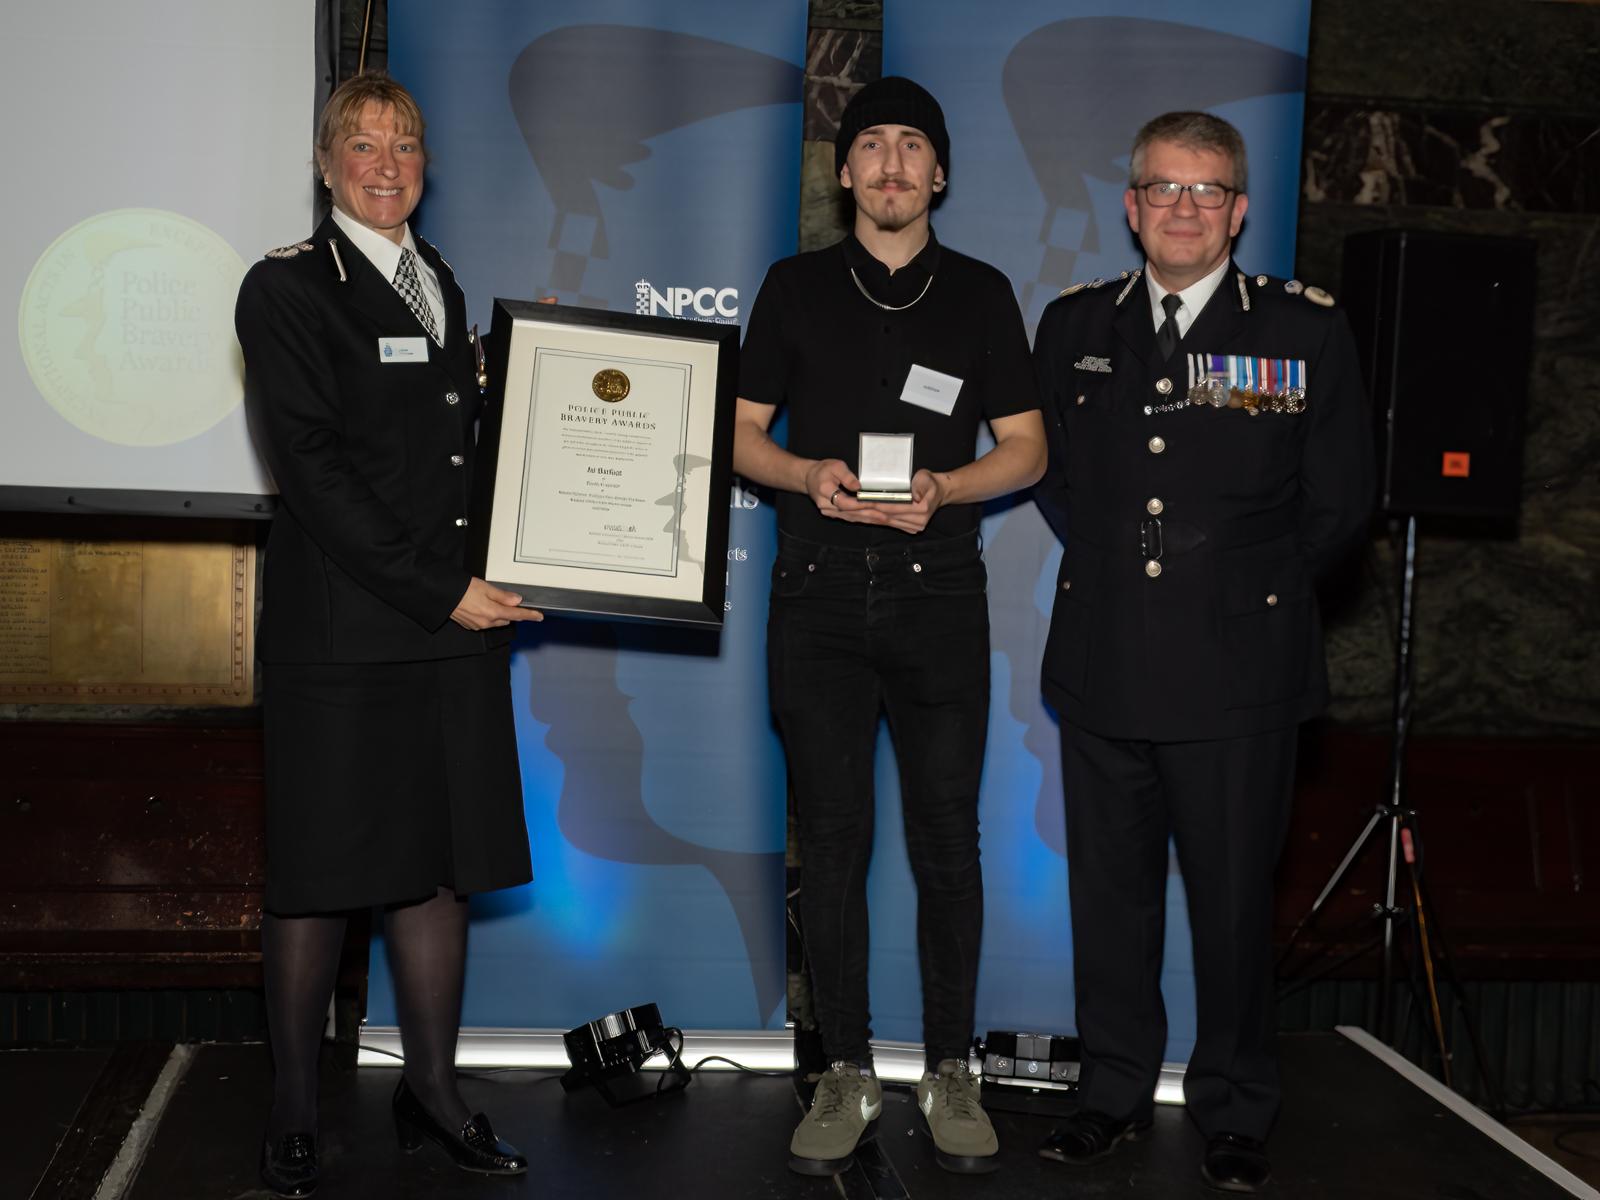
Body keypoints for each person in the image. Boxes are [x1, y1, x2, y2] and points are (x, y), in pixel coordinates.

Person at [1031, 110, 1374, 1193]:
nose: (1183, 208)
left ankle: (1232, 1104)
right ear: (1130, 206)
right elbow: (1051, 477)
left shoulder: (1302, 330)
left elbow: (1340, 500)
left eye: (1205, 190)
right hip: (1103, 664)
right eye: (1162, 188)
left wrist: (1241, 592)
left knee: (1231, 906)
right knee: (1110, 901)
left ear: (1238, 210)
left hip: (1240, 673)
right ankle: (1112, 1091)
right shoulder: (1072, 324)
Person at [235, 72, 541, 1198]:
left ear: (426, 165)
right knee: (320, 878)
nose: (385, 162)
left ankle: (434, 1092)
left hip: (444, 624)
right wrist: (442, 589)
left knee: (433, 872)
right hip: (344, 635)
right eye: (361, 145)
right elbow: (312, 471)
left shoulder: (444, 287)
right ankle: (296, 1106)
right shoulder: (284, 293)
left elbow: (451, 463)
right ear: (324, 165)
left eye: (404, 145)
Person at [734, 76, 1046, 1177]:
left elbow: (1027, 447)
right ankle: (846, 1069)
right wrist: (803, 475)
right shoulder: (792, 286)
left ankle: (951, 1066)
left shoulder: (981, 294)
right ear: (842, 173)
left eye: (913, 146)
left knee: (946, 841)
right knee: (830, 844)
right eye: (871, 146)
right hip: (815, 592)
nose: (892, 165)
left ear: (941, 173)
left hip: (936, 593)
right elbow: (740, 437)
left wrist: (948, 488)